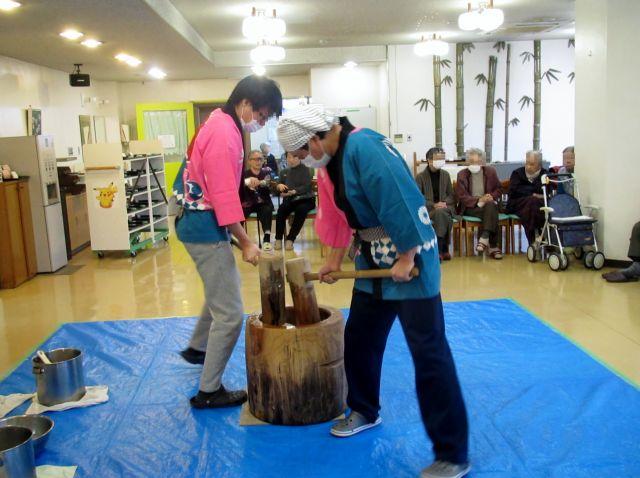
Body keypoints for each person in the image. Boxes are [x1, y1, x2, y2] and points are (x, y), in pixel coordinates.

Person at [277, 105, 470, 478]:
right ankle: (364, 409)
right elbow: (337, 214)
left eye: (303, 152)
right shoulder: (332, 160)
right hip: (372, 259)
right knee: (361, 336)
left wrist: (407, 253)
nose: (303, 160)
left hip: (409, 259)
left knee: (429, 353)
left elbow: (401, 198)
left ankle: (452, 453)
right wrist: (334, 259)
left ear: (316, 138)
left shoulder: (364, 147)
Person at [173, 75, 282, 409]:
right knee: (232, 313)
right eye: (261, 115)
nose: (260, 122)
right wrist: (247, 242)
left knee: (222, 287)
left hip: (195, 219)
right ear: (245, 104)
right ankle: (209, 391)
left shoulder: (220, 122)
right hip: (202, 225)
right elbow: (222, 197)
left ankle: (197, 348)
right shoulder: (225, 133)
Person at [456, 148, 503, 259]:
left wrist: (491, 196)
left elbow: (499, 189)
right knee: (492, 211)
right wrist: (479, 200)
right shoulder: (462, 174)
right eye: (471, 162)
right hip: (471, 207)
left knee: (491, 206)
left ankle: (484, 237)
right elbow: (462, 196)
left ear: (482, 162)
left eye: (477, 162)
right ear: (467, 162)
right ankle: (493, 246)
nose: (474, 164)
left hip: (488, 204)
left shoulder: (490, 171)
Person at [415, 147, 456, 261]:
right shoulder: (420, 177)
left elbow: (451, 195)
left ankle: (439, 250)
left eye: (442, 158)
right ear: (429, 160)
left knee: (441, 212)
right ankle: (443, 249)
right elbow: (418, 198)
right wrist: (433, 204)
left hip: (446, 207)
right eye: (438, 158)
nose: (441, 161)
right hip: (428, 209)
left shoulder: (445, 175)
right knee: (439, 213)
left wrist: (443, 203)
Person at [274, 152, 315, 251]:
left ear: (300, 157)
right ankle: (278, 239)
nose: (291, 160)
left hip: (306, 199)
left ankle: (290, 239)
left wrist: (295, 191)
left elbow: (307, 186)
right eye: (289, 157)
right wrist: (279, 187)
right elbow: (277, 187)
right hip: (290, 199)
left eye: (294, 157)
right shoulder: (283, 171)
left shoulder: (306, 169)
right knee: (281, 210)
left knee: (301, 210)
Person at [507, 150, 548, 244]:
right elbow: (513, 192)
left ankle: (534, 239)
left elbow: (547, 193)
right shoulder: (517, 173)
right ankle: (537, 235)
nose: (528, 166)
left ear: (539, 165)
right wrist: (533, 194)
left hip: (537, 206)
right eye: (527, 163)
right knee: (532, 202)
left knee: (533, 204)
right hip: (517, 204)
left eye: (532, 164)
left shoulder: (545, 175)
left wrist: (535, 194)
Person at [241, 149, 274, 251]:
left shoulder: (267, 172)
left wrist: (262, 182)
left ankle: (267, 240)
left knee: (266, 210)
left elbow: (272, 185)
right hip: (249, 203)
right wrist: (247, 182)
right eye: (255, 159)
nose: (258, 161)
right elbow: (239, 186)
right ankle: (240, 239)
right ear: (249, 161)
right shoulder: (244, 174)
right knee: (240, 212)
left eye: (260, 159)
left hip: (263, 202)